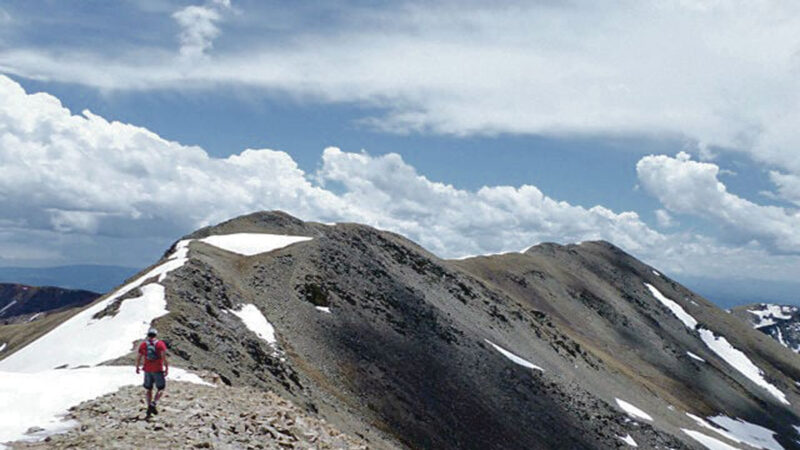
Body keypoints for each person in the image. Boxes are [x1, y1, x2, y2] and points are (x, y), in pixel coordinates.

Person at [136, 327, 169, 417]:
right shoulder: (160, 344)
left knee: (148, 389)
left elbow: (139, 357)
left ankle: (148, 406)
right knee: (161, 388)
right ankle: (154, 403)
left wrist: (137, 367)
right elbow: (163, 358)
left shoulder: (143, 345)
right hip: (157, 369)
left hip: (147, 370)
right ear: (156, 335)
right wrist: (166, 368)